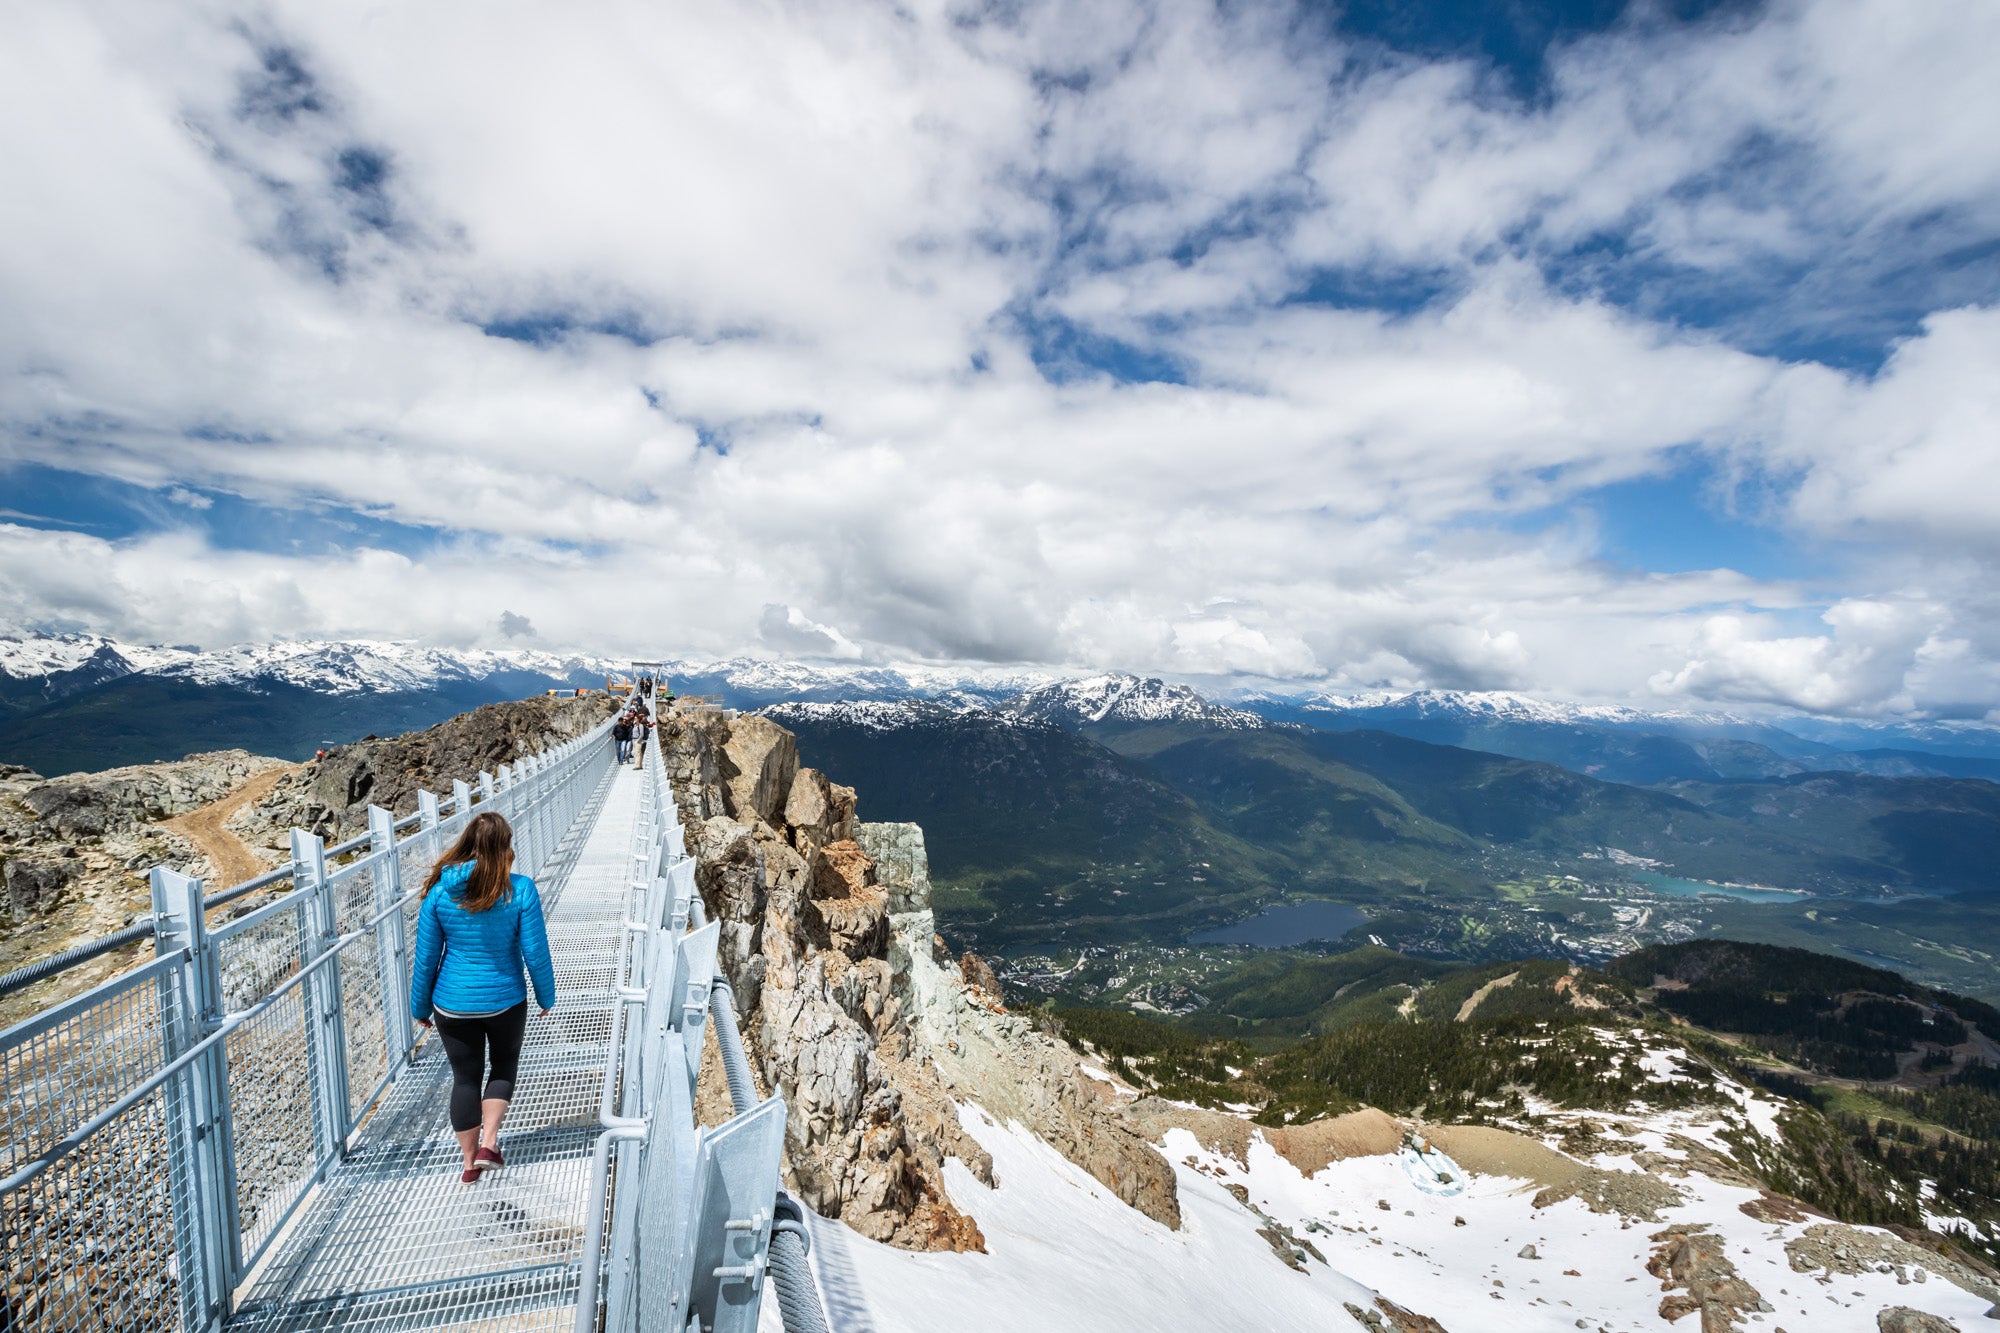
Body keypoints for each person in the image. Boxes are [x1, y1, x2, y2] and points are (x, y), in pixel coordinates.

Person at [409, 811, 555, 1184]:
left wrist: (420, 1006)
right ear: (505, 847)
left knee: (465, 1079)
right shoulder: (519, 889)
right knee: (503, 1065)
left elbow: (426, 956)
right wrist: (545, 996)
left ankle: (469, 1164)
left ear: (468, 843)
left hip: (451, 1003)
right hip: (505, 999)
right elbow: (534, 951)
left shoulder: (441, 891)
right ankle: (490, 1141)